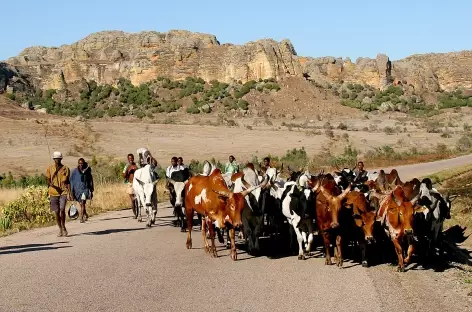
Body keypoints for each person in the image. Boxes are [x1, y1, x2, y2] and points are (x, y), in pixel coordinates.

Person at [46, 151, 71, 237]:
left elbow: (68, 182)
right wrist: (50, 184)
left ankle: (64, 227)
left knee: (62, 209)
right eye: (56, 159)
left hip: (63, 192)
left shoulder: (66, 169)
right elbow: (48, 179)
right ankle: (60, 228)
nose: (57, 160)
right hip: (53, 192)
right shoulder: (50, 168)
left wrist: (70, 193)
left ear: (61, 159)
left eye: (59, 159)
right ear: (53, 159)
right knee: (56, 212)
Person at [70, 158, 94, 223]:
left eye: (82, 163)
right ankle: (85, 214)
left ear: (84, 164)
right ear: (78, 164)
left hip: (85, 190)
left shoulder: (87, 171)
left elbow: (90, 181)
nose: (81, 165)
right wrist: (71, 192)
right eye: (79, 163)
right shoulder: (74, 172)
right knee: (81, 204)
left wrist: (91, 190)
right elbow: (71, 182)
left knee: (83, 203)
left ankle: (81, 218)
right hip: (77, 191)